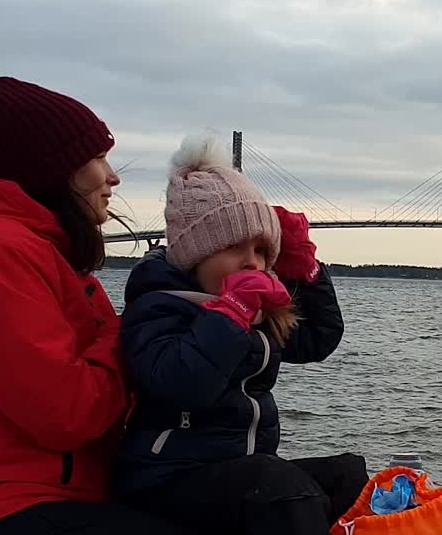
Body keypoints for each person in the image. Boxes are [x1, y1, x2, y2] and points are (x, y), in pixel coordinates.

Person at [0, 76, 193, 535]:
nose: (113, 176)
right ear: (55, 170)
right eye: (98, 157)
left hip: (70, 496)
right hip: (4, 505)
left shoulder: (50, 256)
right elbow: (68, 414)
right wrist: (130, 330)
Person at [113, 133, 367, 535]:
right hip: (166, 479)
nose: (252, 262)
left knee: (348, 476)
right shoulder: (159, 305)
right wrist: (231, 314)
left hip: (238, 472)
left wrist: (308, 271)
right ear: (194, 253)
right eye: (234, 247)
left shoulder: (254, 313)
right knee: (280, 488)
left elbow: (318, 338)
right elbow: (181, 383)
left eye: (262, 250)